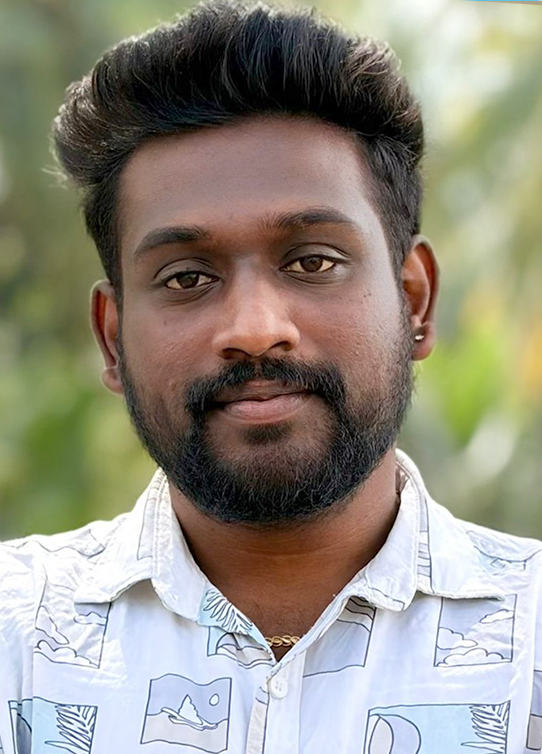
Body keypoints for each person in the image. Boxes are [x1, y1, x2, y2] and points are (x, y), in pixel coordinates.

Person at [0, 1, 540, 751]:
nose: (254, 328)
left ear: (415, 301)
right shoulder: (15, 638)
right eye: (186, 277)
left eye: (313, 261)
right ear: (113, 339)